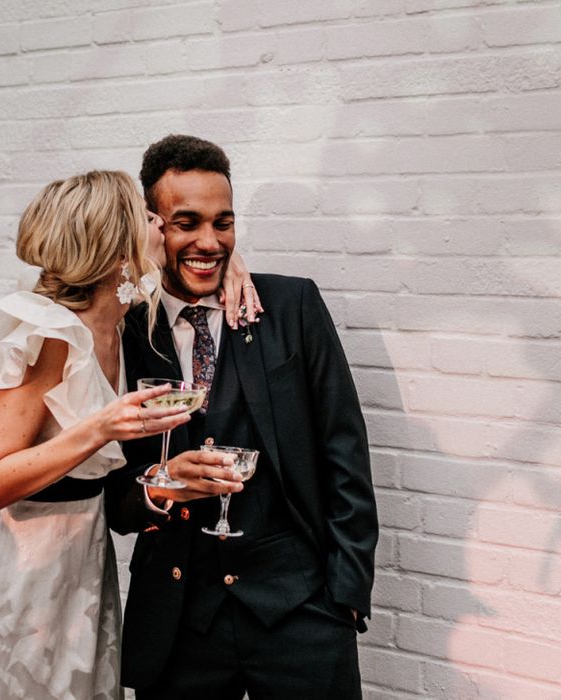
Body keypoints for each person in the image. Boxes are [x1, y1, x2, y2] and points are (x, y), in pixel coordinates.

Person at [0, 170, 255, 699]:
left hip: (84, 561)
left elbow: (194, 264)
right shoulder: (52, 335)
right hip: (23, 573)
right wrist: (100, 427)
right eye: (151, 219)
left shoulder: (125, 326)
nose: (162, 224)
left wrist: (232, 265)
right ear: (118, 245)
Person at [106, 135, 379, 699]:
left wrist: (346, 598)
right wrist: (164, 486)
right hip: (180, 624)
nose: (210, 242)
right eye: (187, 223)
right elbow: (114, 497)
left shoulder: (291, 307)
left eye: (223, 223)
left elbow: (344, 451)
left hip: (301, 613)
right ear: (153, 227)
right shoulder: (124, 332)